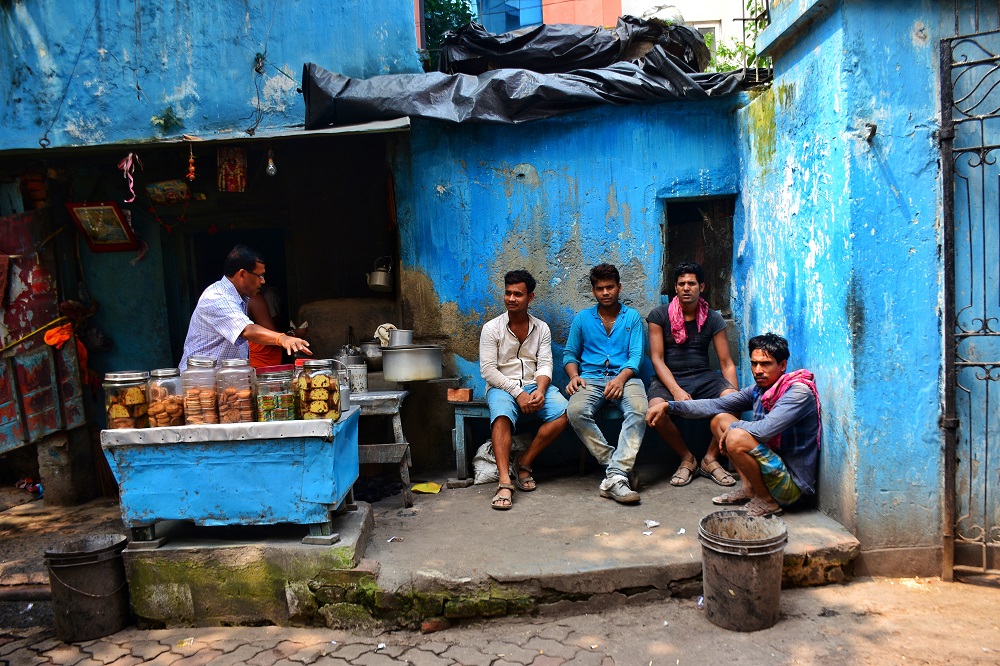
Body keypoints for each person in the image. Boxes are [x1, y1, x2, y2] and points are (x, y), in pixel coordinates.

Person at [646, 333, 821, 517]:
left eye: (765, 364)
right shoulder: (759, 390)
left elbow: (765, 430)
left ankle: (768, 502)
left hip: (790, 487)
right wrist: (669, 406)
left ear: (783, 365)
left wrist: (733, 432)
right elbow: (715, 405)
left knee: (736, 436)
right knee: (719, 420)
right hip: (771, 471)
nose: (758, 370)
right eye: (754, 363)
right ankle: (749, 490)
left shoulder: (797, 393)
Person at [480, 269, 570, 510]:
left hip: (534, 383)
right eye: (508, 293)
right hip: (501, 385)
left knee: (564, 413)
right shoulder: (491, 329)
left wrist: (540, 389)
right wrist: (517, 393)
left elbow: (545, 363)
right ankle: (504, 482)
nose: (511, 298)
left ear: (530, 297)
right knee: (501, 416)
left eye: (518, 294)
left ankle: (525, 462)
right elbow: (488, 371)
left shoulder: (541, 329)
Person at [646, 262, 739, 488]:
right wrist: (676, 391)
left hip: (703, 376)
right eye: (681, 284)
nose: (686, 288)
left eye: (691, 283)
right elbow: (657, 359)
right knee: (655, 410)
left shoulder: (713, 318)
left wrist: (734, 397)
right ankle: (687, 458)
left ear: (702, 286)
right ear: (675, 289)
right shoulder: (659, 315)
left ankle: (710, 458)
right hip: (669, 378)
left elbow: (726, 362)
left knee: (733, 400)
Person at [564, 263, 647, 504]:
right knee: (576, 411)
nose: (605, 292)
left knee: (640, 410)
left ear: (619, 287)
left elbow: (635, 357)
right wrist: (573, 376)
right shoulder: (582, 319)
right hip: (590, 378)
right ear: (593, 291)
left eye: (610, 287)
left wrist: (621, 379)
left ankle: (615, 475)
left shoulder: (631, 317)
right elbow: (569, 354)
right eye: (600, 288)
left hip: (627, 377)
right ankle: (619, 469)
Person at [180, 244, 310, 368]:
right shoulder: (217, 297)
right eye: (260, 275)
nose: (263, 281)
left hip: (223, 379)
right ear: (242, 274)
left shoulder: (241, 298)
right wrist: (283, 338)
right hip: (200, 381)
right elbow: (246, 330)